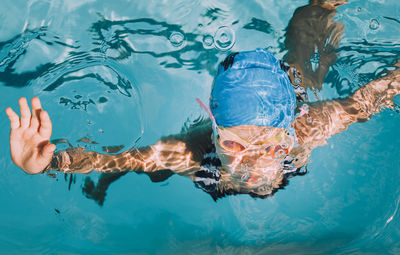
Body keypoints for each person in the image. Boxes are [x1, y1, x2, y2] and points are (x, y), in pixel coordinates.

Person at [5, 1, 400, 202]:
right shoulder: (190, 153)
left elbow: (370, 97)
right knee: (150, 168)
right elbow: (118, 158)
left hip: (287, 95)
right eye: (233, 144)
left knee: (306, 54)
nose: (254, 161)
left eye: (272, 146)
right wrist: (48, 164)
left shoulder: (306, 126)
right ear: (214, 132)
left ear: (289, 134)